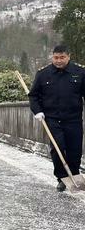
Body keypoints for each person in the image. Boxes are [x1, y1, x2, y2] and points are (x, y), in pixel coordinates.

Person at [28, 44, 85, 191]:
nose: (58, 61)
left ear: (68, 56)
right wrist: (37, 111)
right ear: (52, 57)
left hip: (73, 119)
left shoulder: (80, 72)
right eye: (56, 57)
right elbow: (33, 96)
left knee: (75, 149)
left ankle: (74, 175)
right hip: (52, 119)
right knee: (57, 148)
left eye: (62, 57)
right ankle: (61, 177)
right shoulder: (43, 74)